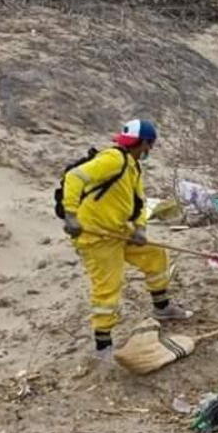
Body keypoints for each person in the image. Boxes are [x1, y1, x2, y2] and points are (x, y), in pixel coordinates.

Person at [61, 119, 192, 365]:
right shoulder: (113, 159)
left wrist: (140, 228)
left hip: (120, 231)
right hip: (97, 237)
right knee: (107, 288)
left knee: (155, 256)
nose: (149, 151)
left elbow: (139, 201)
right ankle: (103, 345)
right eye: (149, 145)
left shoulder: (131, 166)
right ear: (143, 143)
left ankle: (162, 307)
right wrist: (71, 214)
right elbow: (74, 177)